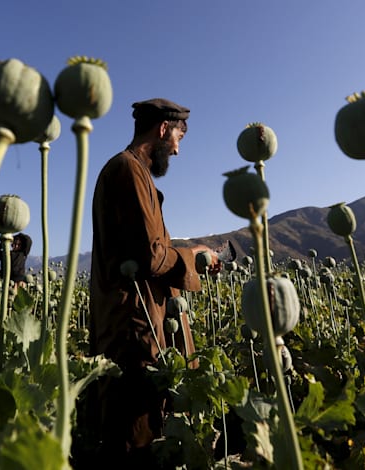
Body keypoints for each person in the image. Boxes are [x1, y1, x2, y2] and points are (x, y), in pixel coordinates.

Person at [82, 98, 220, 468]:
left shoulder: (132, 171)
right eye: (177, 138)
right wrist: (194, 256)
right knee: (133, 433)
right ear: (162, 130)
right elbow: (151, 256)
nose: (176, 149)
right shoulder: (127, 171)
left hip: (136, 318)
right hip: (133, 324)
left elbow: (149, 247)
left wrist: (192, 252)